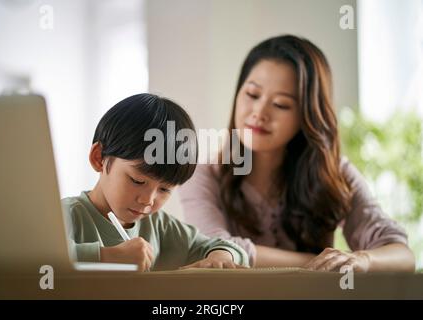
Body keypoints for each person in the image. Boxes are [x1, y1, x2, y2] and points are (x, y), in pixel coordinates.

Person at [178, 35, 415, 272]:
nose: (259, 112)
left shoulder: (334, 173)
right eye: (252, 94)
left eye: (281, 104)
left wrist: (363, 259)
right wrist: (324, 262)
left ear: (307, 115)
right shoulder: (203, 173)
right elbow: (217, 249)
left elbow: (401, 255)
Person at [62, 93, 249, 271]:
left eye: (164, 189)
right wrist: (108, 256)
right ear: (99, 158)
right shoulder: (67, 215)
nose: (148, 200)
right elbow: (37, 259)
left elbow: (228, 248)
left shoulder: (160, 227)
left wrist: (221, 257)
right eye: (137, 181)